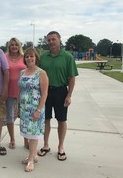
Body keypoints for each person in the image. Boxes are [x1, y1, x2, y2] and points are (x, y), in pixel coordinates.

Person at [37, 31, 79, 161]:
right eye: (48, 40)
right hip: (45, 92)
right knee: (46, 119)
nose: (51, 42)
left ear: (59, 40)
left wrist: (69, 95)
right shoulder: (43, 57)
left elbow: (71, 78)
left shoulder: (67, 57)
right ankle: (45, 145)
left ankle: (61, 147)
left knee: (61, 120)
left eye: (53, 39)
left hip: (61, 92)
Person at [18, 48, 49, 172]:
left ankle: (31, 160)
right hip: (24, 108)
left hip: (35, 108)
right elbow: (19, 90)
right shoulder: (22, 72)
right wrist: (18, 106)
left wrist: (39, 110)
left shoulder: (41, 73)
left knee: (33, 133)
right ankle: (34, 155)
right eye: (27, 57)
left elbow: (45, 93)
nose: (29, 59)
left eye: (32, 56)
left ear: (36, 58)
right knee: (27, 133)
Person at [5, 37, 26, 149]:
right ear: (9, 46)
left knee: (24, 116)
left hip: (23, 91)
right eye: (12, 45)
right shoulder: (4, 57)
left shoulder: (24, 57)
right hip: (9, 90)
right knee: (10, 116)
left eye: (16, 45)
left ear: (19, 46)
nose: (14, 47)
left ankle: (26, 140)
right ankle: (12, 139)